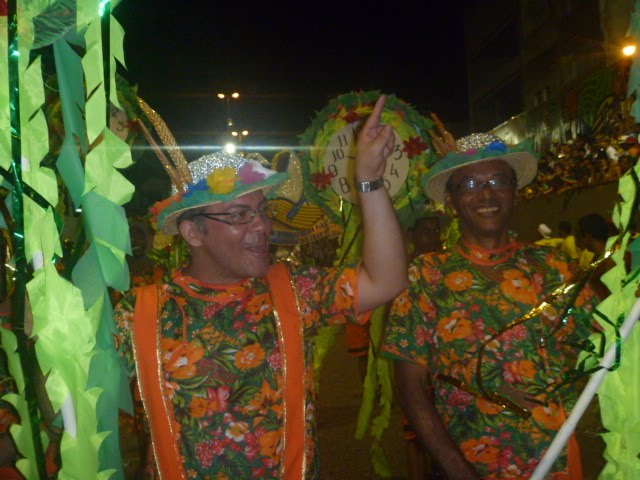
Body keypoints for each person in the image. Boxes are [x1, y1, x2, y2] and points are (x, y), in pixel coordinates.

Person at [114, 95, 408, 479]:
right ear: (192, 233)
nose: (262, 226)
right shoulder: (140, 313)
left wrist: (368, 180)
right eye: (240, 214)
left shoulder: (295, 291)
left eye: (262, 211)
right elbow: (72, 403)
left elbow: (386, 280)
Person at [383, 132, 596, 479]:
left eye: (498, 181)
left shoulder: (553, 267)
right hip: (467, 465)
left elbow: (607, 342)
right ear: (450, 200)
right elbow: (411, 389)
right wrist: (459, 471)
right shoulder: (427, 276)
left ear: (516, 192)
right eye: (469, 184)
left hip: (556, 464)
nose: (486, 194)